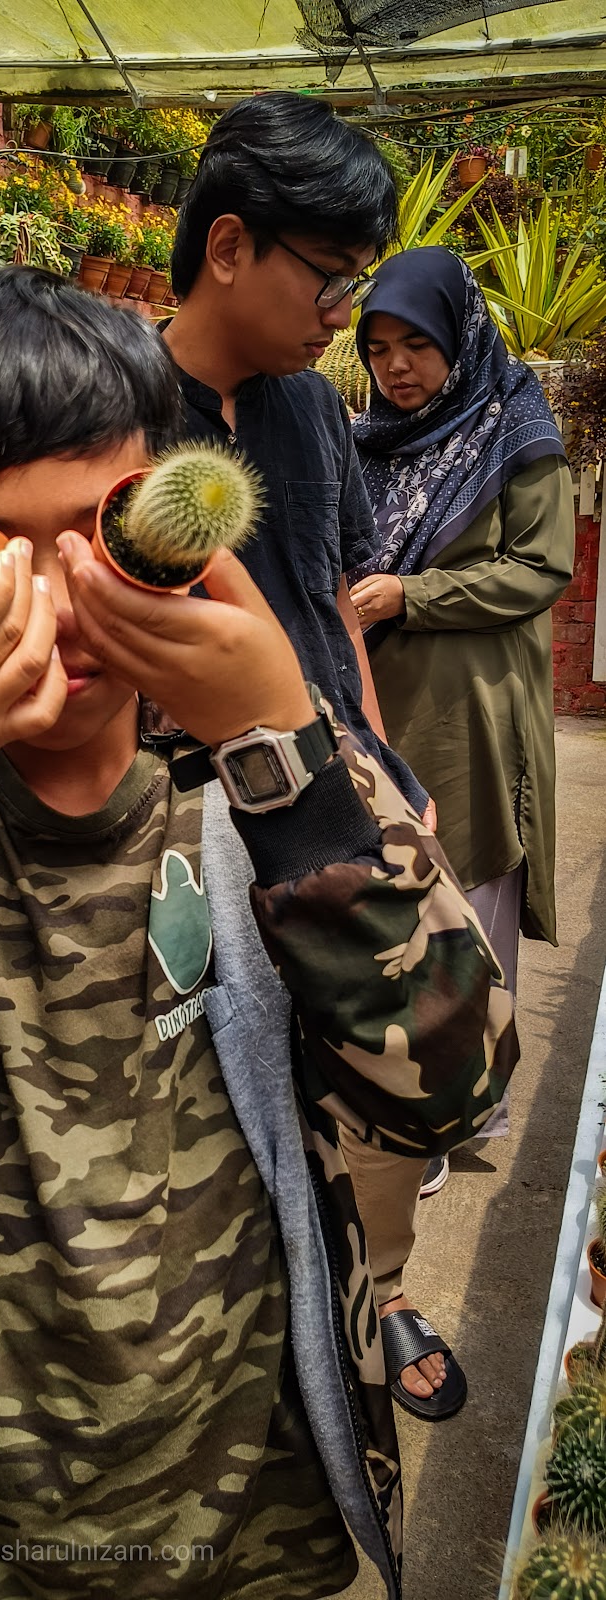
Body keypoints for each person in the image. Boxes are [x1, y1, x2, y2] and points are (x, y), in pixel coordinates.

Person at [0, 268, 516, 1600]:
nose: (60, 597)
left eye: (102, 529)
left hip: (255, 1525)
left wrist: (280, 755)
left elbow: (451, 1087)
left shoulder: (268, 774)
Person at [344, 245, 573, 1418]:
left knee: (467, 900)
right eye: (378, 349)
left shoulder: (516, 428)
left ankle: (448, 1097)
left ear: (459, 338)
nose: (396, 371)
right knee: (400, 898)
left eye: (415, 347)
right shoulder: (360, 438)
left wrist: (409, 595)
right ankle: (405, 1099)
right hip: (388, 707)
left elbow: (542, 567)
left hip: (474, 707)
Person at [161, 90, 429, 818]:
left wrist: (377, 758)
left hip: (339, 777)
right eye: (330, 277)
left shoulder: (315, 405)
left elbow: (335, 600)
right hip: (197, 809)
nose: (343, 314)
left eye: (356, 282)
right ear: (228, 248)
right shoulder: (110, 412)